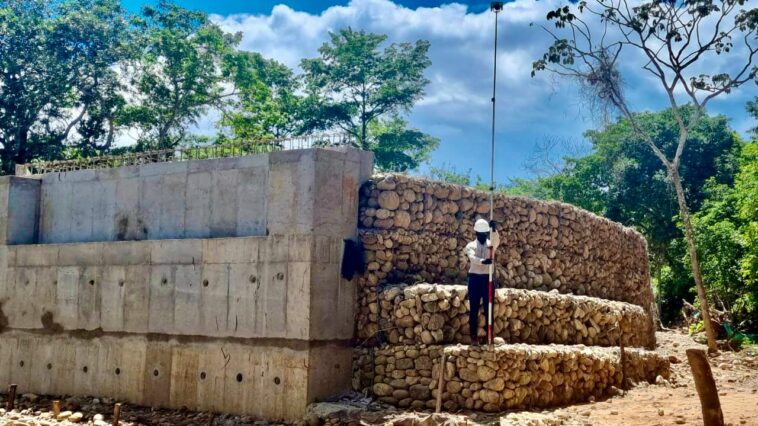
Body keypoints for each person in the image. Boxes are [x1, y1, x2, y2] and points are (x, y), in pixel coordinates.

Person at [464, 218, 500, 345]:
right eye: (481, 234)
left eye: (485, 234)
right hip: (474, 279)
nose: (484, 236)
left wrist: (494, 230)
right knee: (474, 309)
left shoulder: (490, 245)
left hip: (487, 279)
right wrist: (483, 261)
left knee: (488, 308)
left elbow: (496, 242)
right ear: (476, 234)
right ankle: (473, 337)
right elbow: (472, 258)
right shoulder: (470, 246)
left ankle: (489, 336)